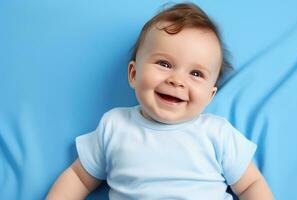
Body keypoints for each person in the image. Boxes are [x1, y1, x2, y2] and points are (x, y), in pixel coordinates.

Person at [46, 3, 274, 200]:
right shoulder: (114, 125)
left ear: (210, 95)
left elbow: (251, 184)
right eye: (164, 64)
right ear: (134, 74)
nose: (177, 80)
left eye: (196, 74)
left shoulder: (217, 132)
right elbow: (79, 178)